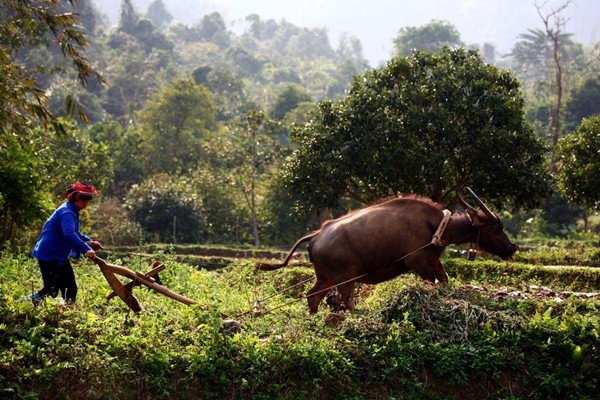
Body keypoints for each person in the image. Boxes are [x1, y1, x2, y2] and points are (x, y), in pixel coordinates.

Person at [28, 182, 103, 306]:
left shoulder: (70, 210)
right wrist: (86, 249)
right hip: (50, 254)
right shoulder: (67, 212)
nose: (87, 203)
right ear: (77, 198)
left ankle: (67, 311)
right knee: (51, 290)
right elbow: (69, 234)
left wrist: (90, 242)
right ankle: (26, 302)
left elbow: (74, 233)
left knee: (70, 287)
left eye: (88, 200)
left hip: (58, 255)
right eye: (85, 199)